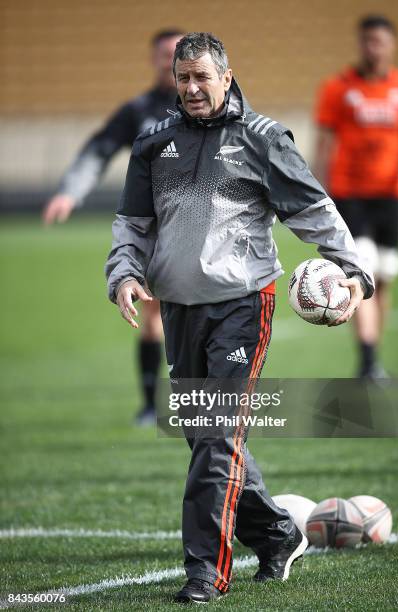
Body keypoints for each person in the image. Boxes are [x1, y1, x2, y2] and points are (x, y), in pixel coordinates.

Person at [105, 33, 374, 603]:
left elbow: (313, 209)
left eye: (203, 77)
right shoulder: (154, 141)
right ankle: (276, 534)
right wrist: (124, 275)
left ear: (227, 77)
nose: (192, 88)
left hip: (242, 305)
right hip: (177, 306)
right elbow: (132, 225)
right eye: (183, 78)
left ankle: (205, 571)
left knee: (217, 436)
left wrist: (353, 268)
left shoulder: (263, 139)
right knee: (207, 437)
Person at [42, 29, 184, 425]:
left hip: (204, 225)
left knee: (197, 313)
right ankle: (150, 405)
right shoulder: (137, 110)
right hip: (155, 227)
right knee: (154, 313)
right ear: (153, 59)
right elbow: (99, 149)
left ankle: (193, 403)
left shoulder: (207, 106)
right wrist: (70, 192)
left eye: (179, 52)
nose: (171, 61)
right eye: (164, 54)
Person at [314, 15, 398, 379]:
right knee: (362, 268)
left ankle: (372, 355)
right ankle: (368, 358)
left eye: (379, 41)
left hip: (390, 196)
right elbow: (324, 143)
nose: (373, 48)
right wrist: (319, 193)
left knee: (384, 276)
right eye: (367, 41)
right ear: (360, 43)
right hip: (350, 194)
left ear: (391, 45)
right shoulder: (338, 88)